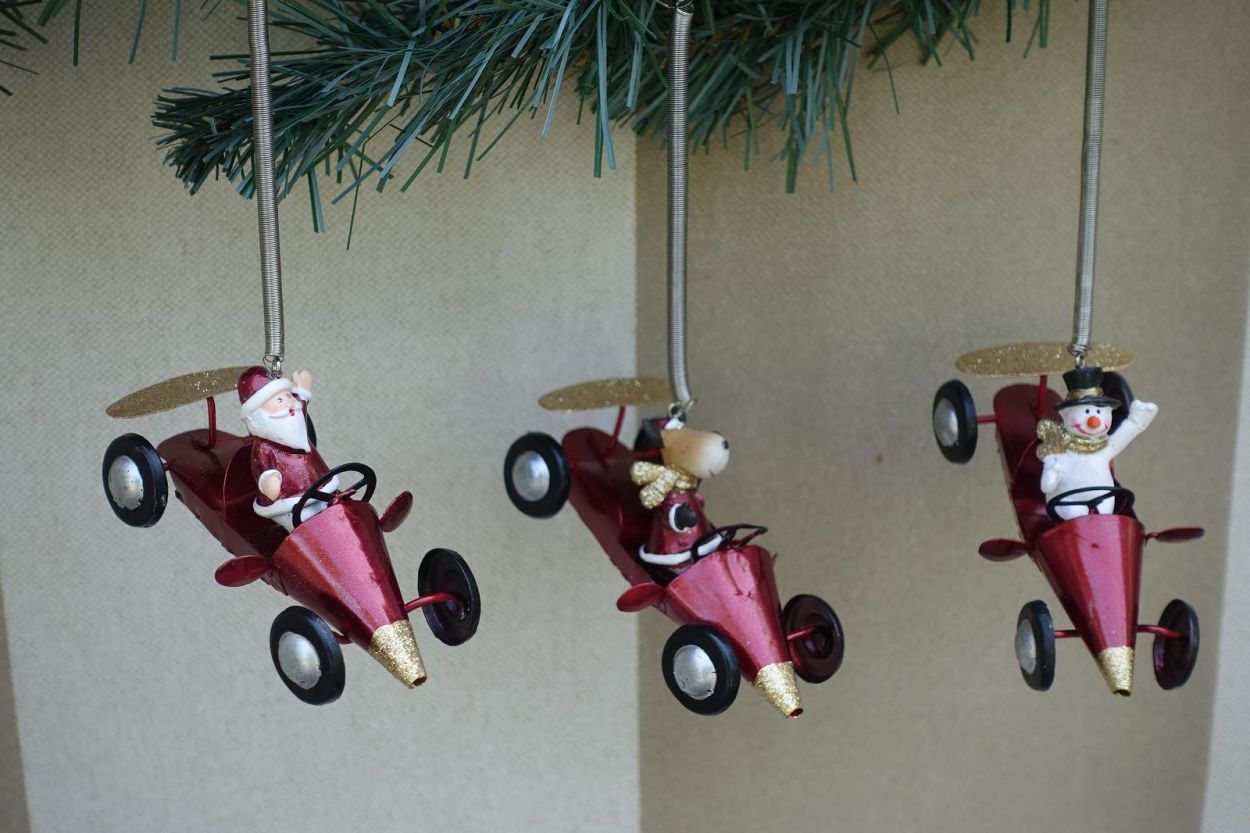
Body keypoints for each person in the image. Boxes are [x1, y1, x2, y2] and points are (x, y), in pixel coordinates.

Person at [1038, 366, 1157, 520]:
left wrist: (1137, 420)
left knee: (1105, 517)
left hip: (1102, 505)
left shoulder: (1104, 449)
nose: (1093, 421)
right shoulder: (1059, 454)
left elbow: (1123, 436)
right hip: (1069, 506)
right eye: (1086, 412)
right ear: (1064, 415)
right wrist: (1053, 473)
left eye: (1099, 412)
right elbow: (1046, 486)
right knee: (1074, 514)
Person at [237, 366, 338, 532]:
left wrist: (302, 389)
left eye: (289, 395)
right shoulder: (264, 448)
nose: (290, 403)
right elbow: (262, 468)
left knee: (336, 509)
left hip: (321, 483)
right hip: (290, 503)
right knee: (307, 526)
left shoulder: (293, 416)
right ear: (258, 414)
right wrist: (268, 481)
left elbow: (300, 405)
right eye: (279, 400)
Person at [629, 416, 730, 570]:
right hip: (678, 546)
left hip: (699, 535)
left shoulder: (688, 479)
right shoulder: (669, 483)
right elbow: (667, 508)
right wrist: (679, 517)